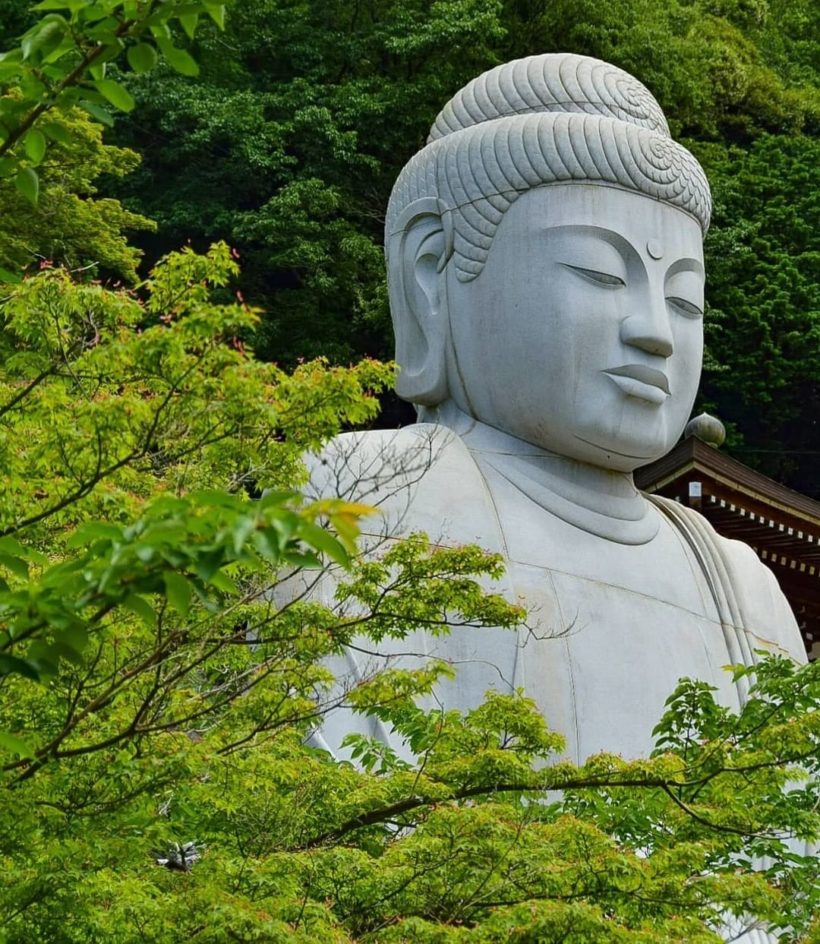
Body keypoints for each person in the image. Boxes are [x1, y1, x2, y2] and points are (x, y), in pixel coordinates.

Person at [302, 53, 806, 769]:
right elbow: (309, 792)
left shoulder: (741, 586)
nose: (656, 332)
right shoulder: (366, 496)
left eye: (684, 299)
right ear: (431, 271)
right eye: (602, 273)